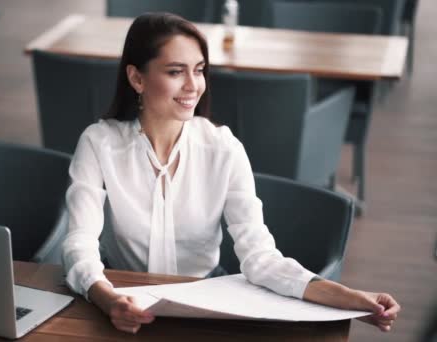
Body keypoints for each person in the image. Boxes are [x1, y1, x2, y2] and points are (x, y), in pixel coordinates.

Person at [61, 12, 400, 334]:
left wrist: (353, 300)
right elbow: (80, 243)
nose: (194, 85)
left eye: (199, 69)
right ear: (137, 78)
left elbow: (261, 258)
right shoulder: (99, 143)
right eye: (176, 71)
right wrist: (108, 300)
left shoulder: (223, 148)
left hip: (205, 307)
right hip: (122, 303)